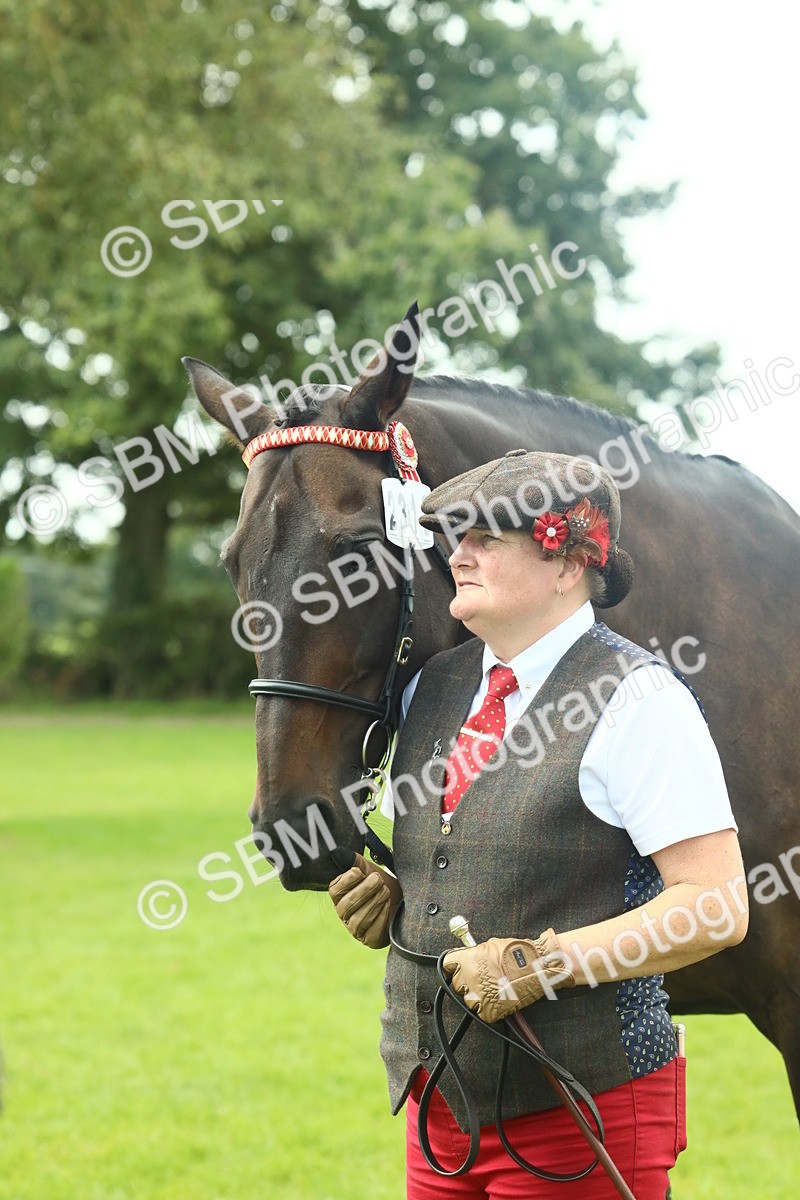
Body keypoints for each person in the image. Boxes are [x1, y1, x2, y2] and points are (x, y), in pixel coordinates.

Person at [329, 450, 748, 1199]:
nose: (458, 555)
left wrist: (542, 965)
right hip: (439, 1105)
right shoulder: (431, 686)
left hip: (583, 1110)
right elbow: (454, 851)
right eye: (456, 538)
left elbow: (715, 907)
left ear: (567, 563)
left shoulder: (642, 700)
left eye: (487, 538)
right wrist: (397, 893)